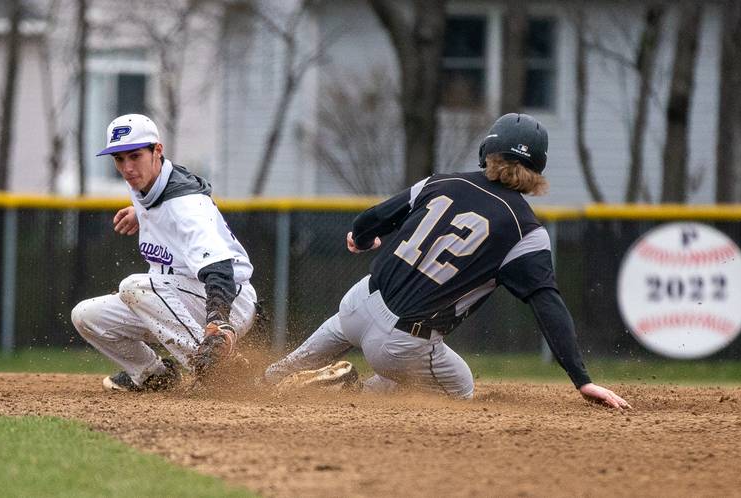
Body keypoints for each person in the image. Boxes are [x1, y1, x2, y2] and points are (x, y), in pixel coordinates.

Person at [265, 113, 630, 409]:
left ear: (488, 151)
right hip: (403, 343)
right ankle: (349, 393)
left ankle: (270, 378)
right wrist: (582, 380)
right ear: (538, 170)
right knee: (461, 389)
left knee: (337, 327)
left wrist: (362, 240)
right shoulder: (526, 231)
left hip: (359, 303)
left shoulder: (441, 181)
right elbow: (548, 305)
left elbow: (370, 218)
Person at [71, 114, 257, 392]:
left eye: (134, 156)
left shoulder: (187, 206)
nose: (127, 168)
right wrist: (142, 214)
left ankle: (218, 371)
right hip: (176, 299)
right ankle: (154, 375)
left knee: (134, 286)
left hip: (227, 299)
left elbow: (220, 269)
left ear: (157, 150)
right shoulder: (150, 184)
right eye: (119, 159)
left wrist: (218, 321)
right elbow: (163, 201)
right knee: (86, 316)